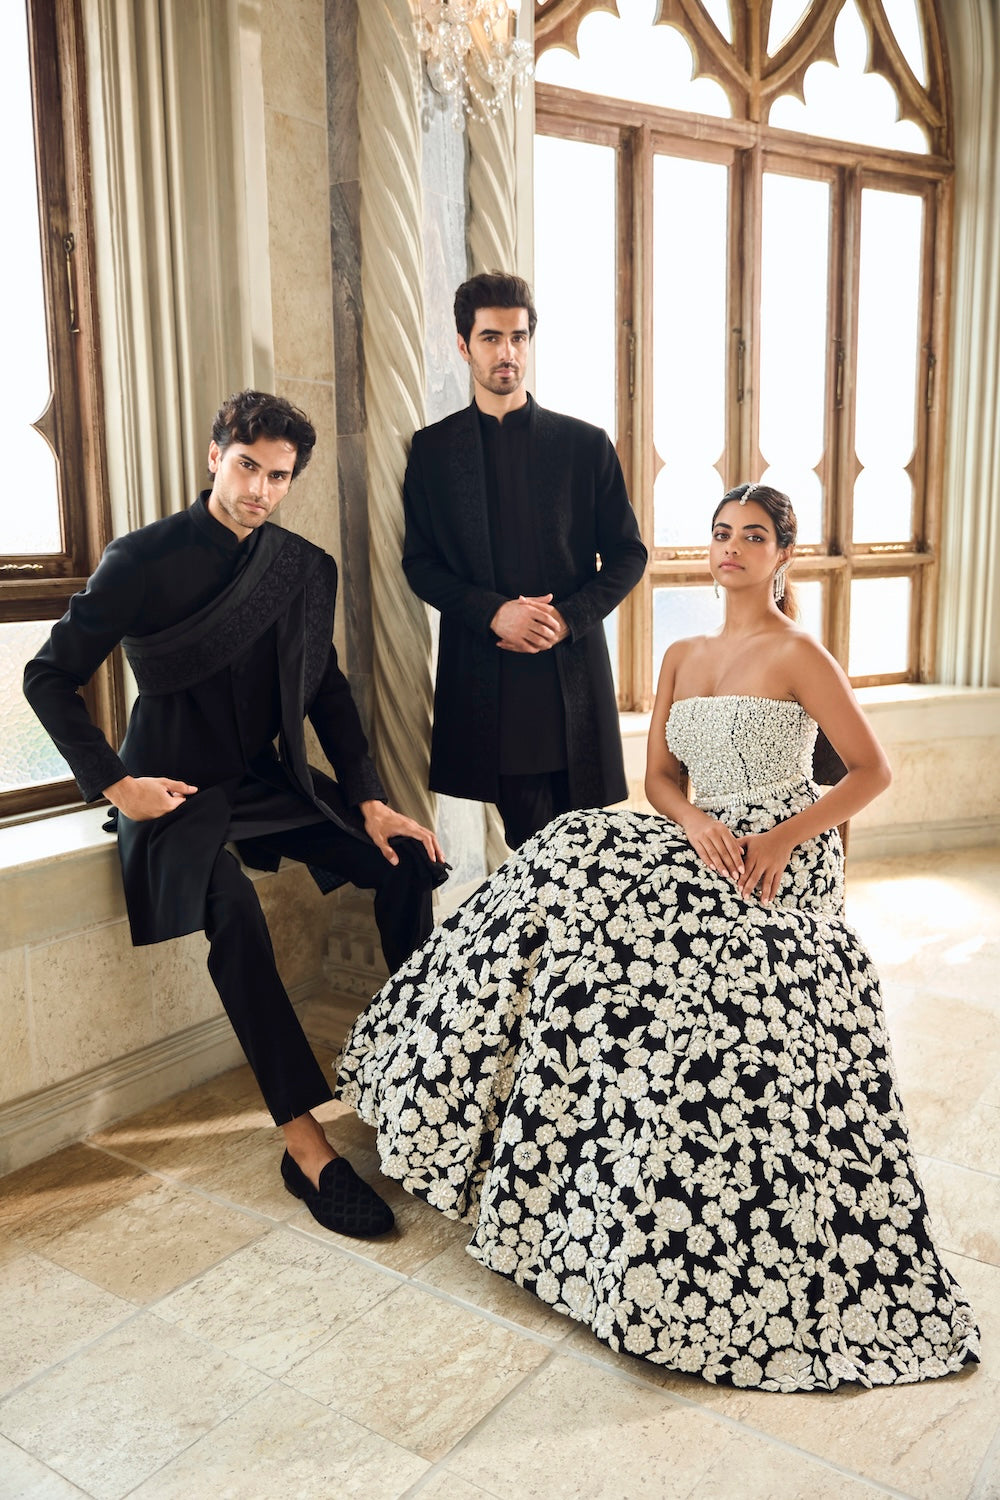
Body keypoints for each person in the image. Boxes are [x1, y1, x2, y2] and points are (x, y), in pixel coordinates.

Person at [335, 482, 979, 1390]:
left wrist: (779, 839)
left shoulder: (800, 655)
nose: (732, 548)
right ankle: (469, 1115)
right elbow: (661, 780)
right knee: (566, 855)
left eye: (753, 536)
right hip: (702, 837)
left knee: (697, 984)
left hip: (780, 856)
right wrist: (695, 823)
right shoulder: (682, 653)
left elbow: (872, 771)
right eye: (721, 534)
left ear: (783, 555)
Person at [24, 390, 447, 1240]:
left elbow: (326, 690)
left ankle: (422, 1081)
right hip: (171, 795)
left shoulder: (300, 567)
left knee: (410, 864)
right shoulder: (140, 560)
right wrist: (119, 786)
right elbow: (47, 676)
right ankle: (305, 1146)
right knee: (237, 917)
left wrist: (369, 800)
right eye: (248, 466)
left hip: (263, 783)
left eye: (279, 476)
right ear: (215, 455)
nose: (260, 490)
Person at [402, 270, 647, 850]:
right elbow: (420, 564)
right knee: (531, 846)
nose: (506, 352)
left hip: (572, 673)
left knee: (586, 850)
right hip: (491, 678)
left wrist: (566, 618)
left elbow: (628, 553)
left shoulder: (585, 445)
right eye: (490, 338)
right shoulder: (432, 451)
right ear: (463, 345)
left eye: (518, 337)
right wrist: (494, 613)